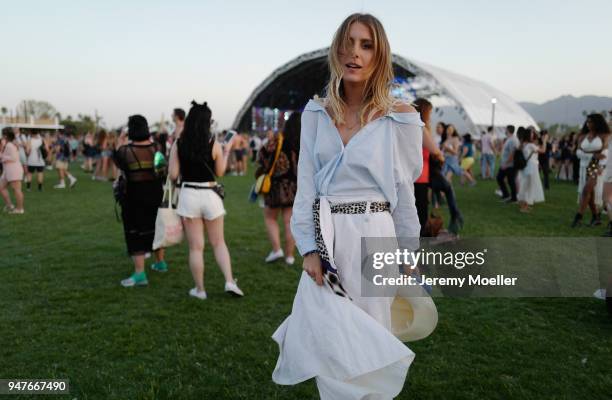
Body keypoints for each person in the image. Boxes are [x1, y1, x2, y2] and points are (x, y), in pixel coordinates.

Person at [272, 14, 435, 399]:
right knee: (330, 338)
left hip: (375, 235)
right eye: (348, 43)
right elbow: (307, 185)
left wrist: (407, 253)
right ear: (336, 50)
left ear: (379, 55)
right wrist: (308, 248)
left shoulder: (403, 117)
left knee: (368, 336)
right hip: (328, 237)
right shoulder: (315, 113)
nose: (354, 54)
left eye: (366, 45)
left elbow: (403, 193)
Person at [168, 101, 243, 299]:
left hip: (188, 195)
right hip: (210, 195)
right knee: (219, 242)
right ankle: (229, 281)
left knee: (196, 247)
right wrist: (225, 152)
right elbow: (219, 172)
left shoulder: (179, 143)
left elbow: (173, 174)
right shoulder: (214, 144)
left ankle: (200, 290)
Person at [113, 115, 164, 287]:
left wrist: (120, 140)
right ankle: (160, 263)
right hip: (156, 195)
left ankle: (140, 274)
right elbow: (162, 170)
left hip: (134, 197)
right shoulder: (157, 147)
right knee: (156, 229)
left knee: (135, 232)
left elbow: (117, 164)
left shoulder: (125, 151)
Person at [256, 112, 301, 265]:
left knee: (270, 218)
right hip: (294, 188)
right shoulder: (303, 141)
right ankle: (290, 256)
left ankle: (277, 250)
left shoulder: (276, 140)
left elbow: (261, 156)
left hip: (274, 186)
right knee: (289, 223)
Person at [413, 98, 444, 236]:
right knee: (421, 212)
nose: (430, 117)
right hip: (420, 177)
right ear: (424, 112)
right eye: (429, 113)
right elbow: (436, 151)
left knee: (414, 211)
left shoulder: (410, 127)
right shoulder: (420, 127)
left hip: (413, 176)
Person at [572, 114, 610, 227]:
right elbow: (578, 153)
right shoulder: (582, 136)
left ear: (597, 122)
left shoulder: (605, 135)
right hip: (583, 166)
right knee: (589, 193)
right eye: (587, 122)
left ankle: (578, 217)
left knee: (586, 190)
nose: (588, 124)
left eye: (591, 122)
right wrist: (594, 154)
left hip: (596, 166)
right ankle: (596, 217)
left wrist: (589, 155)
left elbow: (604, 154)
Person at [517, 127, 545, 212]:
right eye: (532, 133)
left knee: (525, 186)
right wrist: (544, 141)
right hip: (531, 168)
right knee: (528, 187)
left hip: (525, 167)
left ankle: (524, 205)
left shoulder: (523, 144)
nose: (533, 135)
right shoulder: (530, 145)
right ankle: (523, 207)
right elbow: (543, 150)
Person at [0, 127, 25, 214]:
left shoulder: (10, 145)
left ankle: (19, 209)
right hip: (8, 170)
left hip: (14, 170)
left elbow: (13, 158)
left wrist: (2, 158)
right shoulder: (9, 144)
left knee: (17, 190)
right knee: (1, 187)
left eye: (2, 134)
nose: (2, 136)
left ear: (6, 135)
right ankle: (9, 205)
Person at [496, 125, 518, 203]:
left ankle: (512, 197)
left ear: (508, 130)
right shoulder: (509, 139)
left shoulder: (513, 140)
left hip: (509, 165)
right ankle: (508, 195)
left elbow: (513, 153)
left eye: (506, 129)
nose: (505, 131)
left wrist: (506, 163)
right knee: (504, 179)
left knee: (506, 180)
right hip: (506, 164)